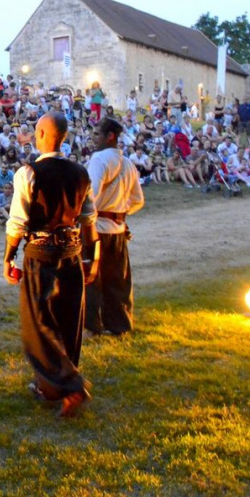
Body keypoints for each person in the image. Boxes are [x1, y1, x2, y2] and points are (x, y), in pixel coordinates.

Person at [3, 112, 98, 418]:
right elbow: (88, 220)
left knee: (38, 324)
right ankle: (51, 387)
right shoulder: (80, 173)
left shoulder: (28, 173)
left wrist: (8, 257)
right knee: (68, 321)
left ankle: (71, 384)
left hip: (41, 254)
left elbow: (17, 221)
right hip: (72, 252)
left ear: (42, 133)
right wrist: (91, 259)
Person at [85, 118, 145, 337]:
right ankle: (119, 326)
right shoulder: (128, 163)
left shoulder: (99, 159)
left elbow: (90, 196)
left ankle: (92, 326)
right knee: (117, 281)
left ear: (110, 136)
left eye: (97, 134)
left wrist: (85, 221)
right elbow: (138, 200)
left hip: (97, 230)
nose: (93, 138)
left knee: (91, 279)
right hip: (118, 230)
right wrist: (119, 214)